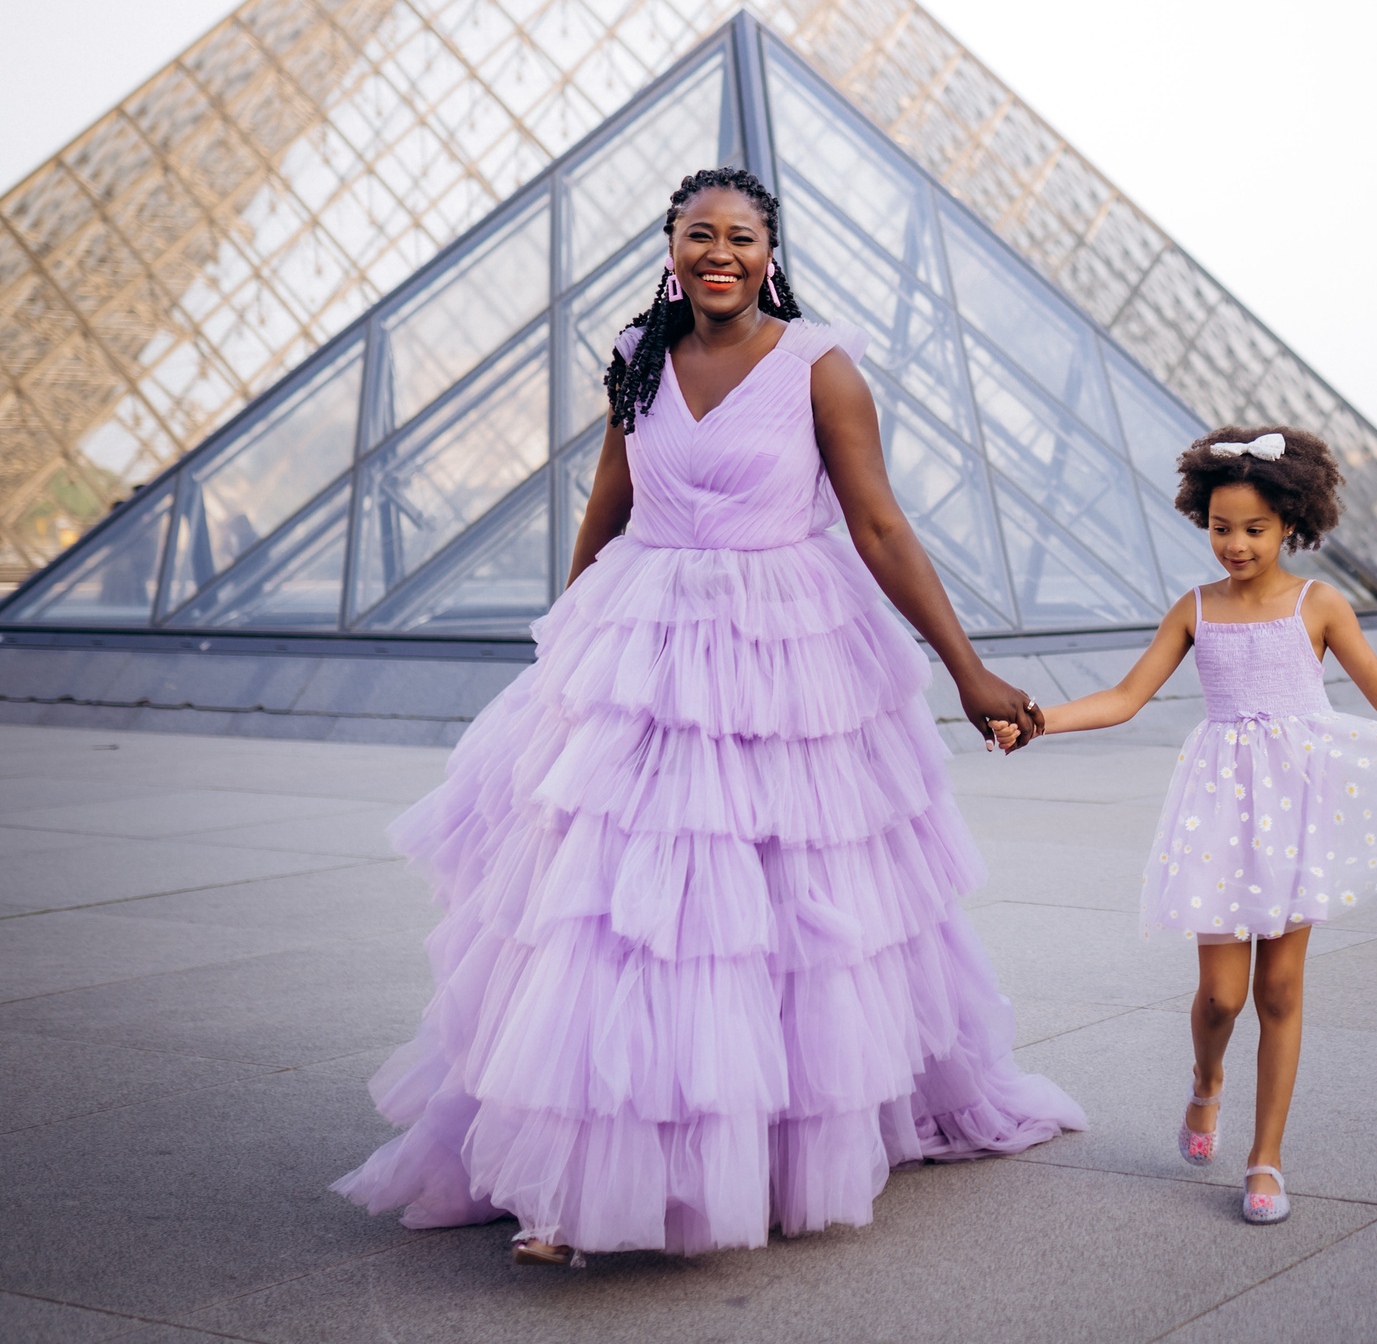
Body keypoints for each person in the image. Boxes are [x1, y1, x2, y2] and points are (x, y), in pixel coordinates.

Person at [334, 168, 1083, 1264]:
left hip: (780, 654)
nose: (718, 252)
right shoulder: (639, 355)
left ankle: (755, 1144)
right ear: (670, 246)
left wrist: (967, 671)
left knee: (772, 909)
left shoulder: (823, 369)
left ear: (770, 256)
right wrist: (569, 654)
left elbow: (878, 527)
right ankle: (578, 1179)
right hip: (641, 648)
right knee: (611, 908)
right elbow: (609, 500)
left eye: (740, 236)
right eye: (699, 234)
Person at [990, 426, 1377, 1224]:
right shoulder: (1194, 609)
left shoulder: (1318, 603)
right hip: (1219, 808)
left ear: (1291, 521)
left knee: (1280, 987)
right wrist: (1040, 719)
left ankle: (1266, 1157)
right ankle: (1206, 1081)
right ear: (1203, 518)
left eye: (1254, 528)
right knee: (1220, 997)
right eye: (1222, 526)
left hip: (1295, 804)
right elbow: (1124, 697)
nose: (1236, 543)